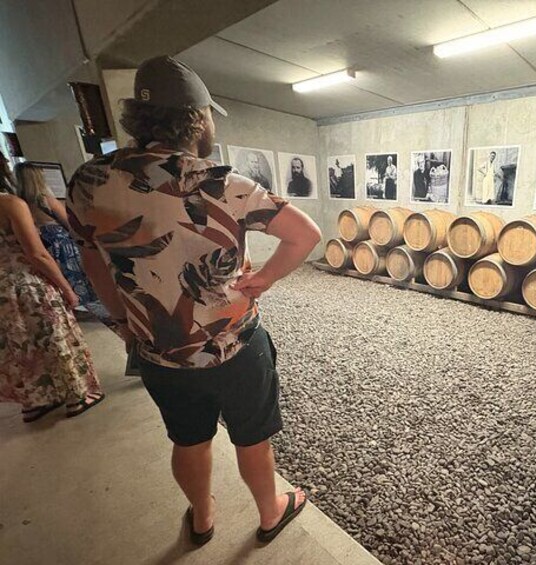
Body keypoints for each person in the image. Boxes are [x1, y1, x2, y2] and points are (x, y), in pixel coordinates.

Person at [66, 56, 321, 545]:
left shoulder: (88, 182)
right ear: (197, 120)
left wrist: (123, 322)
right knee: (252, 437)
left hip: (160, 350)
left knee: (188, 439)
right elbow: (305, 234)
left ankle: (202, 518)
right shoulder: (224, 184)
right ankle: (270, 513)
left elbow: (92, 260)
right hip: (236, 343)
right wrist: (264, 280)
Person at [0, 167, 104, 423]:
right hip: (25, 283)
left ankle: (34, 402)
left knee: (17, 345)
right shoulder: (11, 204)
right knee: (54, 337)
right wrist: (66, 287)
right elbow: (37, 254)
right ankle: (77, 396)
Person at [14, 162, 113, 327]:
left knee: (65, 281)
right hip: (63, 246)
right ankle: (102, 312)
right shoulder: (46, 200)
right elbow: (70, 223)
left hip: (45, 247)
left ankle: (75, 308)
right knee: (82, 278)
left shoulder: (19, 204)